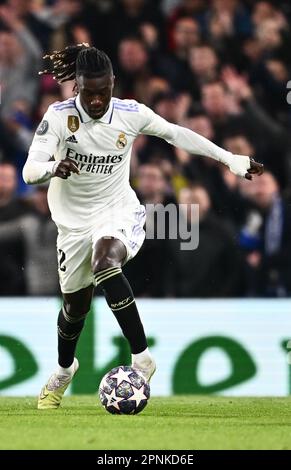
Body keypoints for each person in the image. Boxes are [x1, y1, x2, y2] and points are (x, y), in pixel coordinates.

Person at [22, 43, 263, 410]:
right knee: (74, 309)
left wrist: (230, 159)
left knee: (106, 262)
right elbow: (29, 169)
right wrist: (52, 168)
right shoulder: (58, 117)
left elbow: (177, 134)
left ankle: (142, 358)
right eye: (89, 93)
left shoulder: (130, 114)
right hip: (72, 226)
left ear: (113, 83)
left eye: (104, 91)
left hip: (118, 212)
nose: (98, 100)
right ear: (77, 87)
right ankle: (64, 369)